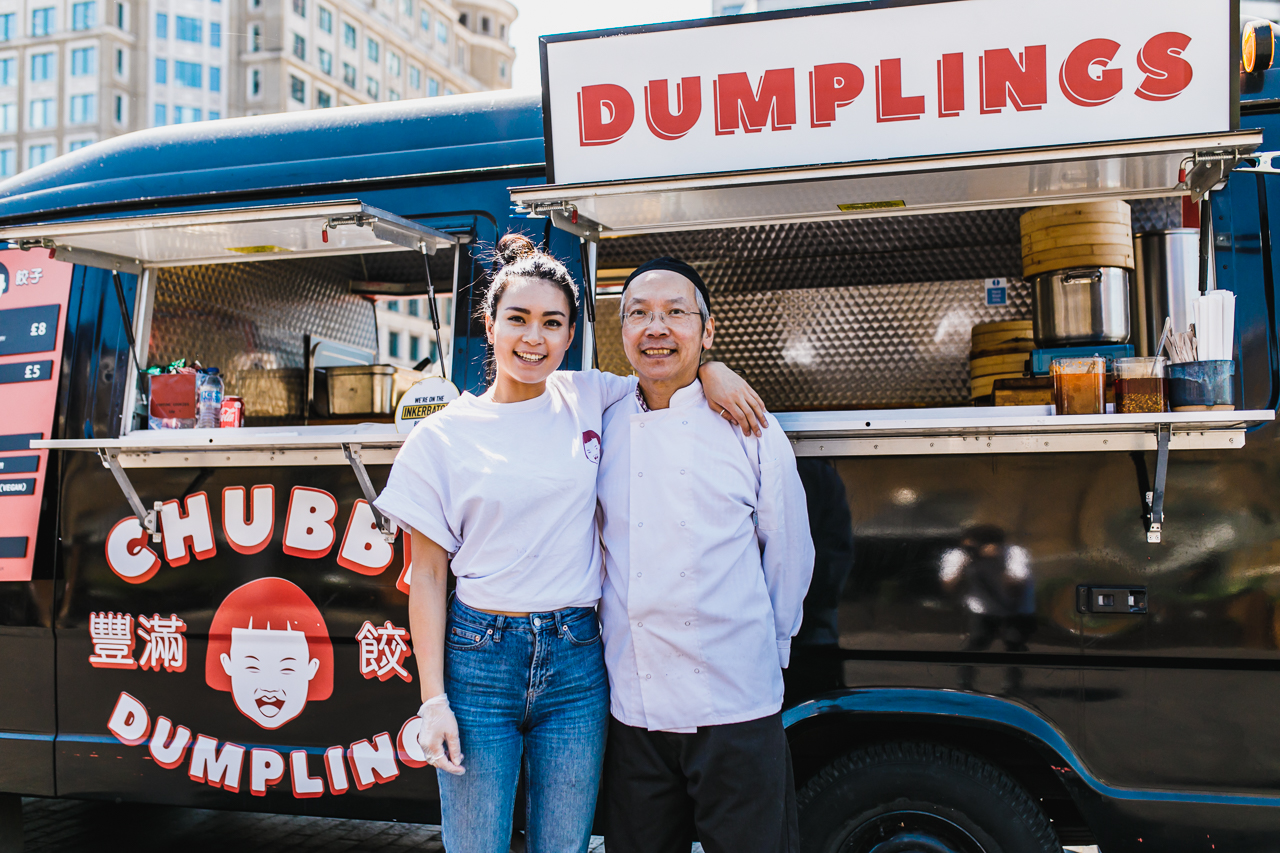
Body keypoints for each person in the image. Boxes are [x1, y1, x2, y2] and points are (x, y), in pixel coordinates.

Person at [372, 236, 767, 853]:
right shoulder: (440, 438)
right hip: (480, 658)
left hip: (576, 661)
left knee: (565, 846)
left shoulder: (589, 395)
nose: (534, 338)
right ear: (489, 325)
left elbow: (663, 370)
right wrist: (432, 701)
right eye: (518, 319)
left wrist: (714, 370)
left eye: (552, 323)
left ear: (570, 335)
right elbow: (426, 576)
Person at [596, 257, 815, 853]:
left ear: (707, 330)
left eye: (675, 312)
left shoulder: (750, 426)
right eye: (639, 314)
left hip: (736, 698)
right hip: (635, 704)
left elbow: (789, 552)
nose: (656, 328)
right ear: (622, 331)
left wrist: (768, 649)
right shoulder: (601, 421)